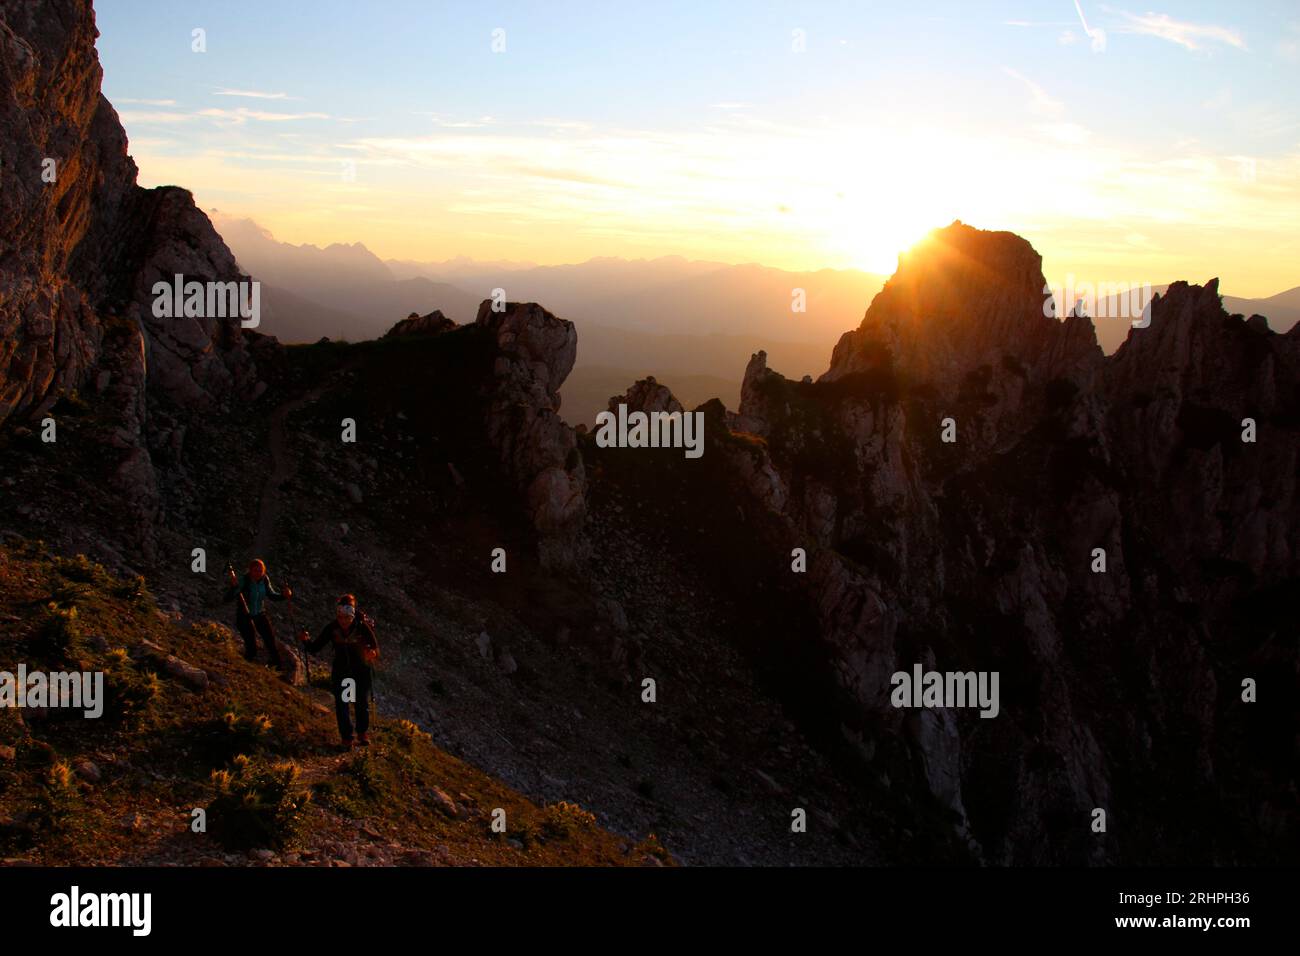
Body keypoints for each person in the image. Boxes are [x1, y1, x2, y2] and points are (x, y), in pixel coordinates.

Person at [301, 594, 379, 750]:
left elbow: (375, 646)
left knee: (360, 703)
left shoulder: (362, 626)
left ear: (352, 616)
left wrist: (373, 653)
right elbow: (315, 647)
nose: (343, 621)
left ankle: (361, 733)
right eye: (341, 617)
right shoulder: (332, 628)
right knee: (343, 704)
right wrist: (306, 641)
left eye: (347, 618)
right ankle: (348, 737)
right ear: (337, 616)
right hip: (344, 672)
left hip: (360, 672)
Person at [225, 559, 291, 666]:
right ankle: (245, 666)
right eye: (255, 571)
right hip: (244, 616)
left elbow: (271, 595)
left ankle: (277, 667)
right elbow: (228, 598)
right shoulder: (244, 580)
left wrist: (284, 596)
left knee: (270, 642)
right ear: (250, 570)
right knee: (252, 647)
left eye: (260, 571)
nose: (258, 574)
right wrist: (233, 587)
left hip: (260, 614)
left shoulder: (264, 580)